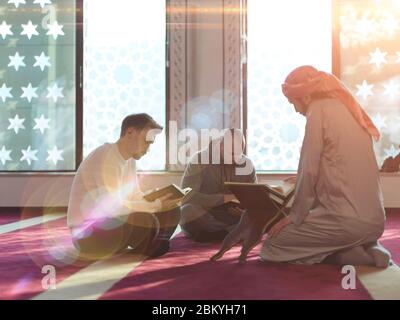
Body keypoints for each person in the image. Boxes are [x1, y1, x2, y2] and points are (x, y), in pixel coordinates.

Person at [259, 65, 391, 267]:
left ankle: (345, 255)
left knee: (273, 245)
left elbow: (309, 168)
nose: (295, 109)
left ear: (303, 96)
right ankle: (370, 246)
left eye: (292, 102)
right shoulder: (348, 108)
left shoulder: (317, 109)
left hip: (347, 222)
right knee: (347, 228)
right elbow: (338, 166)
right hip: (376, 223)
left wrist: (294, 216)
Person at [67, 113, 180, 261]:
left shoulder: (130, 161)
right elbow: (111, 208)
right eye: (147, 142)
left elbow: (134, 196)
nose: (148, 149)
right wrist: (156, 205)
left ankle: (151, 244)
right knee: (146, 218)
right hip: (88, 236)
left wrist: (156, 197)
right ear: (130, 133)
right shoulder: (105, 156)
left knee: (172, 209)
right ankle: (151, 245)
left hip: (112, 225)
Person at [180, 128, 257, 243]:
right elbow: (186, 196)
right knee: (187, 211)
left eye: (239, 153)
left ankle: (217, 234)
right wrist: (225, 198)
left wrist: (245, 212)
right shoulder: (199, 160)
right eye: (231, 153)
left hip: (233, 216)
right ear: (221, 146)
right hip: (206, 214)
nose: (235, 158)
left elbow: (254, 198)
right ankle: (229, 232)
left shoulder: (247, 164)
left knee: (257, 217)